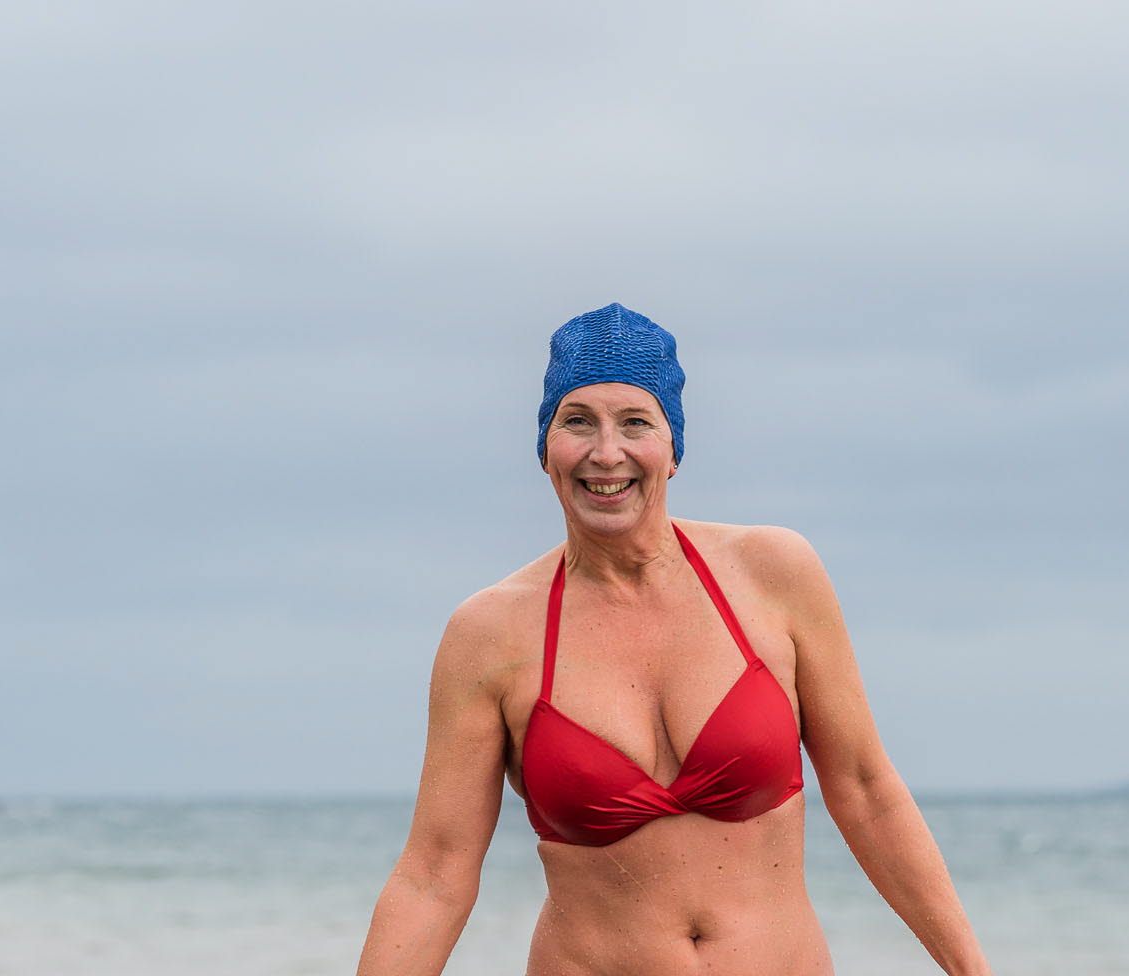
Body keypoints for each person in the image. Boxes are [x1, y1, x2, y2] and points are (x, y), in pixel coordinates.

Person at [357, 303, 992, 975]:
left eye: (636, 422)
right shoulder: (488, 634)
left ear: (672, 448)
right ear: (545, 449)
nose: (607, 453)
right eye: (577, 422)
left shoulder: (774, 574)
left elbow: (867, 791)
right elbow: (434, 874)